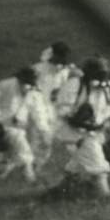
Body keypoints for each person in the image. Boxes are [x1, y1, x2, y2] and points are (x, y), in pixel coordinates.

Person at [52, 55, 110, 197]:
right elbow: (62, 110)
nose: (102, 75)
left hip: (94, 132)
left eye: (104, 71)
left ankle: (65, 188)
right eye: (98, 71)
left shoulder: (104, 89)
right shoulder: (75, 85)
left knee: (79, 160)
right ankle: (104, 193)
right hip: (73, 131)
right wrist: (80, 120)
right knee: (97, 161)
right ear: (89, 71)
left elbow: (106, 111)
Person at [0, 66, 44, 182]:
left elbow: (37, 109)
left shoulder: (33, 91)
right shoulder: (6, 86)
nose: (28, 86)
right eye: (25, 83)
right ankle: (30, 178)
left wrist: (41, 126)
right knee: (24, 151)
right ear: (20, 80)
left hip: (20, 127)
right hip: (3, 126)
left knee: (12, 154)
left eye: (31, 83)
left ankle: (2, 173)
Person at [29, 41, 77, 169]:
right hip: (38, 109)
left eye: (64, 57)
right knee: (41, 139)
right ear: (54, 54)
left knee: (49, 141)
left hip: (55, 110)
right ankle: (31, 167)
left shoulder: (65, 71)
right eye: (60, 56)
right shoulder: (38, 69)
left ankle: (34, 166)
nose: (63, 60)